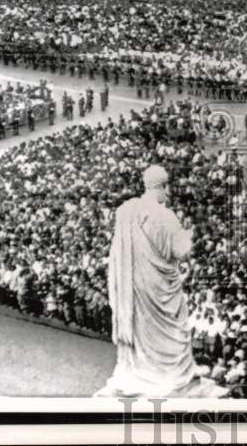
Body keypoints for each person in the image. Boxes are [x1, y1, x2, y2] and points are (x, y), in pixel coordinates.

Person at [96, 164, 199, 396]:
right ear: (162, 187)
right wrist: (189, 236)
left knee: (141, 327)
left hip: (134, 283)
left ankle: (139, 370)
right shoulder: (166, 216)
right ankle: (164, 372)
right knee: (170, 328)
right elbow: (181, 250)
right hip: (158, 286)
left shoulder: (126, 210)